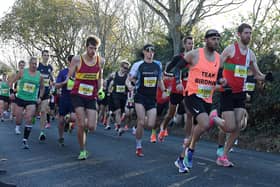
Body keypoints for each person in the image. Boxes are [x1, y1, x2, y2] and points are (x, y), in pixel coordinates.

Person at [216, 23, 273, 167]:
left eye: (250, 33)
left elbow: (257, 74)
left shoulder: (251, 54)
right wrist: (219, 80)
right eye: (246, 33)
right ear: (239, 34)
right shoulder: (230, 50)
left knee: (237, 127)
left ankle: (223, 156)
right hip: (227, 92)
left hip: (240, 93)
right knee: (229, 127)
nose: (248, 35)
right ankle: (213, 119)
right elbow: (217, 66)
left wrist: (266, 77)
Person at [173, 29, 226, 173]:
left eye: (217, 39)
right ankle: (187, 154)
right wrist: (178, 81)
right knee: (205, 123)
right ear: (206, 40)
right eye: (213, 38)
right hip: (192, 94)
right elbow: (176, 68)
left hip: (207, 97)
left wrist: (222, 80)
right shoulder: (195, 54)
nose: (216, 41)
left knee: (201, 128)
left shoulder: (218, 58)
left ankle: (184, 154)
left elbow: (219, 74)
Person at [66, 35, 105, 160]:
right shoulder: (77, 59)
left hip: (91, 95)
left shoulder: (101, 61)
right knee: (82, 124)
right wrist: (67, 82)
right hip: (77, 94)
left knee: (92, 127)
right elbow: (69, 75)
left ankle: (75, 124)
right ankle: (82, 150)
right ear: (86, 47)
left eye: (95, 49)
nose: (93, 51)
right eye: (91, 48)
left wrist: (100, 89)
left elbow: (100, 77)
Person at [126, 44, 167, 157]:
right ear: (144, 52)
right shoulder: (138, 65)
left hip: (151, 98)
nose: (150, 53)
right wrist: (129, 85)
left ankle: (136, 127)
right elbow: (129, 79)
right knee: (141, 121)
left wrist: (164, 91)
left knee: (150, 124)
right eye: (148, 51)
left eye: (152, 51)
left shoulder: (157, 65)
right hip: (140, 96)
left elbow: (160, 80)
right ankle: (138, 146)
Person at [157, 36, 194, 143]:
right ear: (184, 45)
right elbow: (169, 70)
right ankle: (163, 128)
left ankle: (187, 138)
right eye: (189, 43)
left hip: (189, 88)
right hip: (177, 88)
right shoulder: (178, 57)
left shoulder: (196, 58)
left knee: (189, 113)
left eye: (192, 44)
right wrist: (173, 77)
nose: (191, 46)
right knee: (171, 114)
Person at [9, 57, 45, 149]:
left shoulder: (39, 75)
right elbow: (12, 81)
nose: (34, 66)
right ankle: (17, 125)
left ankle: (25, 140)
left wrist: (40, 97)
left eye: (35, 64)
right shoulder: (22, 72)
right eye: (32, 64)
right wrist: (12, 92)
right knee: (18, 119)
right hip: (20, 98)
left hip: (31, 100)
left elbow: (42, 88)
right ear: (29, 64)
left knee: (29, 118)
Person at [55, 55, 76, 146]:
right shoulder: (63, 72)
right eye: (73, 61)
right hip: (64, 97)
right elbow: (56, 85)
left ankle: (68, 123)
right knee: (60, 120)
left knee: (73, 117)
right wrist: (64, 82)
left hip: (75, 98)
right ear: (69, 62)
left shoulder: (79, 72)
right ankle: (61, 137)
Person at [108, 60, 131, 136]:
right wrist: (109, 91)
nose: (125, 69)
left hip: (123, 96)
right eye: (124, 67)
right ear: (121, 66)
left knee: (121, 112)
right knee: (118, 111)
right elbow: (108, 81)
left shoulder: (128, 76)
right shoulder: (114, 74)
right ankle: (119, 127)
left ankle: (112, 115)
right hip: (115, 94)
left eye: (127, 68)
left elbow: (130, 84)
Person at [37, 50, 54, 141]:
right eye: (45, 55)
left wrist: (53, 82)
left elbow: (52, 78)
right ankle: (33, 117)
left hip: (46, 92)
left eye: (48, 55)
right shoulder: (38, 66)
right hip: (37, 92)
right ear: (42, 56)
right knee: (35, 112)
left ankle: (42, 132)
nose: (46, 57)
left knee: (43, 111)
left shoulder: (50, 67)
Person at [11, 60, 26, 134]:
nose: (22, 67)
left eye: (23, 65)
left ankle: (18, 126)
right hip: (16, 94)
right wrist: (12, 92)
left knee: (21, 112)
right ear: (18, 66)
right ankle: (17, 124)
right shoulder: (16, 74)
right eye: (20, 65)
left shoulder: (27, 74)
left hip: (25, 95)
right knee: (16, 112)